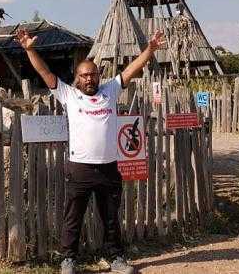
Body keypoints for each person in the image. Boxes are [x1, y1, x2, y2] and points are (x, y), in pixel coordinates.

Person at [15, 29, 167, 274]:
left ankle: (116, 258)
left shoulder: (111, 90)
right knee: (73, 217)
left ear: (99, 76)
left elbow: (132, 68)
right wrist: (30, 50)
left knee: (110, 218)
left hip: (109, 168)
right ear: (77, 78)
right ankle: (68, 260)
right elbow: (44, 72)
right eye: (84, 75)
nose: (89, 79)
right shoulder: (69, 95)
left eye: (93, 75)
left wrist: (149, 50)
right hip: (80, 168)